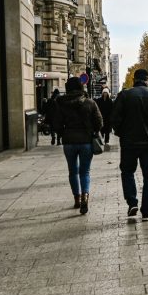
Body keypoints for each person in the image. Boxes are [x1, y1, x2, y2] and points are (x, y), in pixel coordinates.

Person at [111, 69, 148, 221]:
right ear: (147, 80)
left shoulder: (124, 95)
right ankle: (146, 210)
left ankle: (132, 202)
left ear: (134, 79)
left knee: (127, 172)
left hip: (129, 142)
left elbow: (115, 118)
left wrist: (121, 133)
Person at [53, 77, 103, 214]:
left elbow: (56, 123)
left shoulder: (61, 103)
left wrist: (63, 133)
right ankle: (85, 196)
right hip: (86, 142)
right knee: (85, 171)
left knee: (72, 171)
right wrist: (92, 131)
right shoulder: (90, 103)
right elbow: (99, 122)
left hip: (69, 142)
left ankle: (76, 199)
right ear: (81, 87)